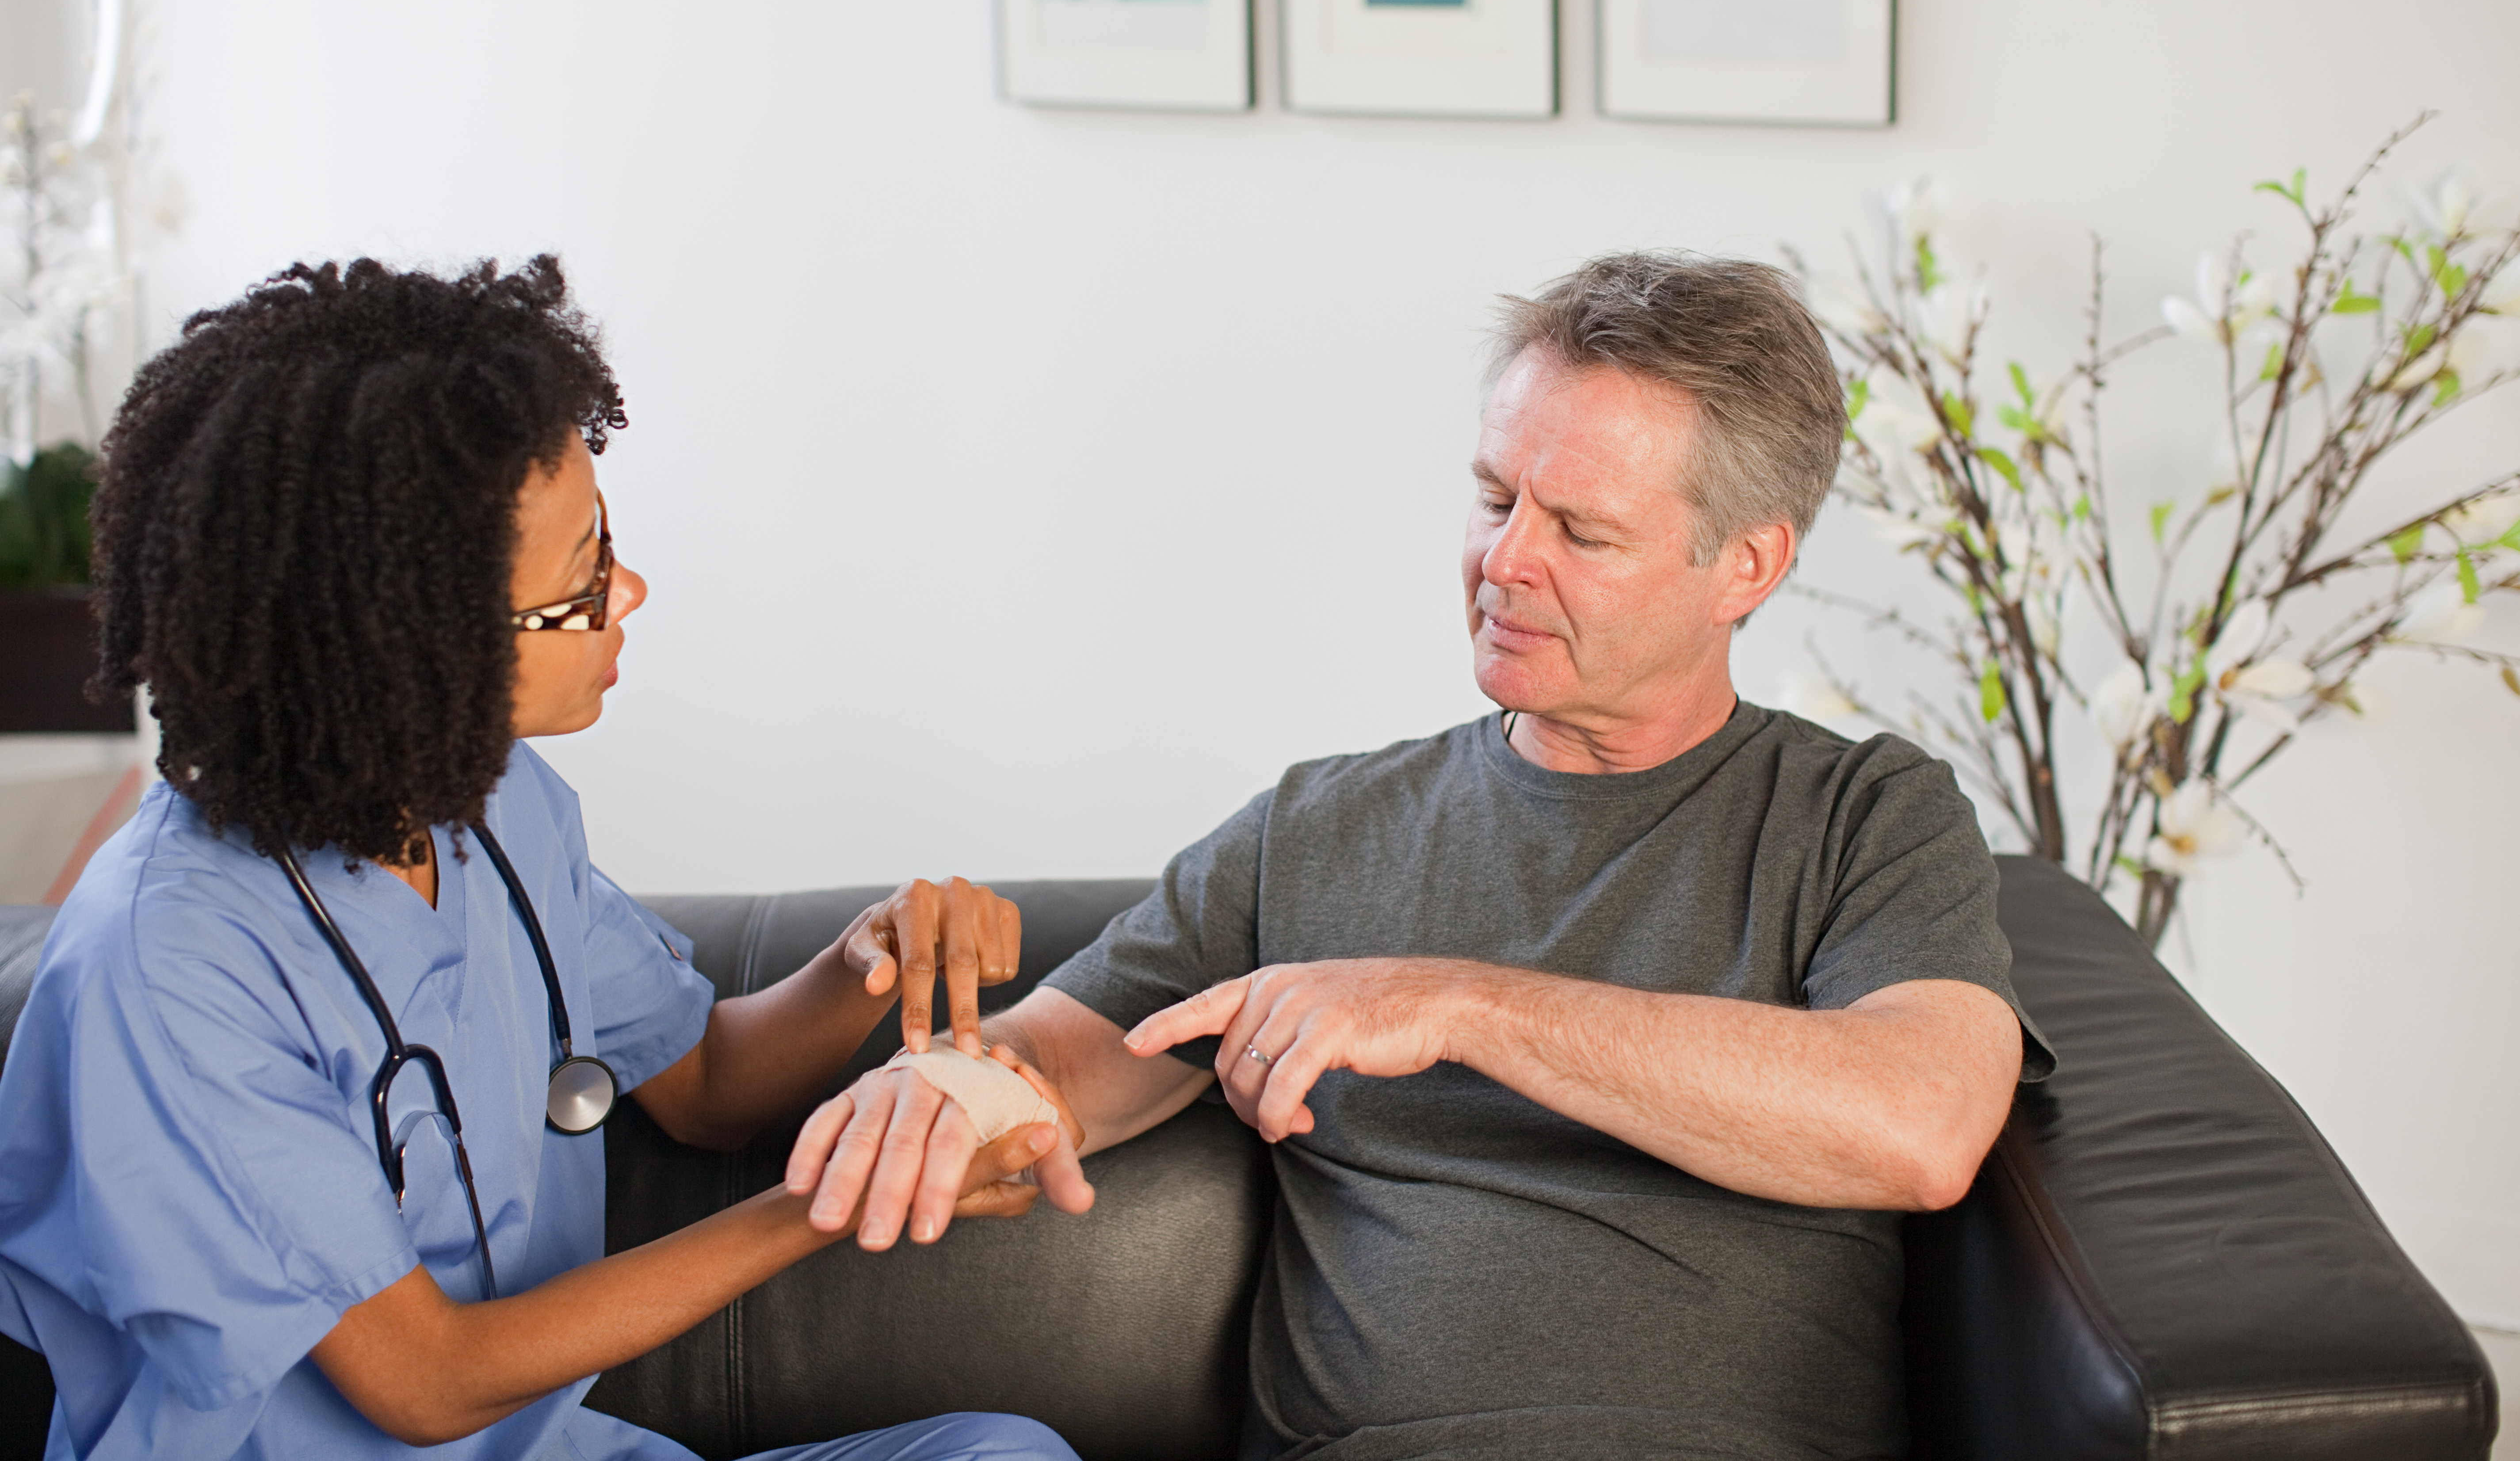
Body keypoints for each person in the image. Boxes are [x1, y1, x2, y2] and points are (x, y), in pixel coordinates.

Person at [787, 252, 2057, 1460]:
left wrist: (1456, 1004)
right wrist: (956, 1085)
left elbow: (1919, 1123)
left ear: (1745, 565)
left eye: (1582, 532)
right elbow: (1077, 1057)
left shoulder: (1862, 817)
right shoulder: (1316, 828)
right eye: (1496, 498)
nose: (1503, 562)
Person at [0, 259, 1085, 1461]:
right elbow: (424, 1383)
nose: (626, 592)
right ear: (409, 642)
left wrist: (868, 959)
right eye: (577, 588)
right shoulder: (168, 967)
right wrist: (833, 1203)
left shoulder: (494, 809)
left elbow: (709, 1087)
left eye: (605, 543)